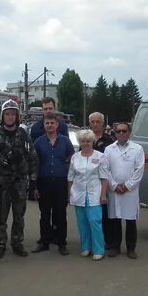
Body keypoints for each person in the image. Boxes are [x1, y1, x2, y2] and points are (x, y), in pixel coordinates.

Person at [0, 99, 38, 258]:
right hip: (2, 182)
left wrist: (32, 181)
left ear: (17, 116)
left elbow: (32, 156)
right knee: (1, 216)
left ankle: (17, 243)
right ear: (2, 116)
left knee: (19, 215)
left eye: (13, 114)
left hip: (19, 182)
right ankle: (0, 244)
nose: (10, 117)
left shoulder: (23, 134)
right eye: (7, 114)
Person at [32, 114, 74, 255]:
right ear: (44, 125)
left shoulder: (65, 141)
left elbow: (71, 160)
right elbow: (34, 165)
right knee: (44, 214)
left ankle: (61, 243)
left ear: (57, 125)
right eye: (47, 123)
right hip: (44, 182)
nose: (50, 125)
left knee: (60, 214)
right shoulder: (38, 143)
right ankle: (44, 242)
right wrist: (35, 186)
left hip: (61, 182)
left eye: (52, 123)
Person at [104, 122, 145, 259]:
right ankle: (115, 247)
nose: (121, 133)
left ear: (129, 132)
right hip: (114, 189)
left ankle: (131, 249)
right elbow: (105, 169)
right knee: (115, 220)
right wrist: (114, 185)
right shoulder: (109, 149)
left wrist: (127, 186)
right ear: (115, 133)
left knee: (130, 220)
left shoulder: (137, 149)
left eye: (124, 131)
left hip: (130, 191)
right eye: (119, 131)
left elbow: (139, 170)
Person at [67, 129, 109, 261]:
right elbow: (70, 178)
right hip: (78, 194)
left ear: (93, 142)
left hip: (94, 194)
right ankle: (85, 247)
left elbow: (104, 178)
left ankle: (99, 249)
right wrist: (70, 194)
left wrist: (103, 195)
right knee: (82, 223)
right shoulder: (75, 157)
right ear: (80, 142)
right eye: (83, 141)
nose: (86, 143)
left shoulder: (100, 157)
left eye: (88, 141)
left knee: (95, 222)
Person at [89, 111, 115, 245]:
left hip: (104, 181)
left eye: (97, 121)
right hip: (89, 182)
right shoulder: (87, 139)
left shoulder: (110, 140)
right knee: (92, 215)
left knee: (105, 213)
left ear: (103, 123)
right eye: (92, 122)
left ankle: (108, 241)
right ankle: (94, 241)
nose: (95, 124)